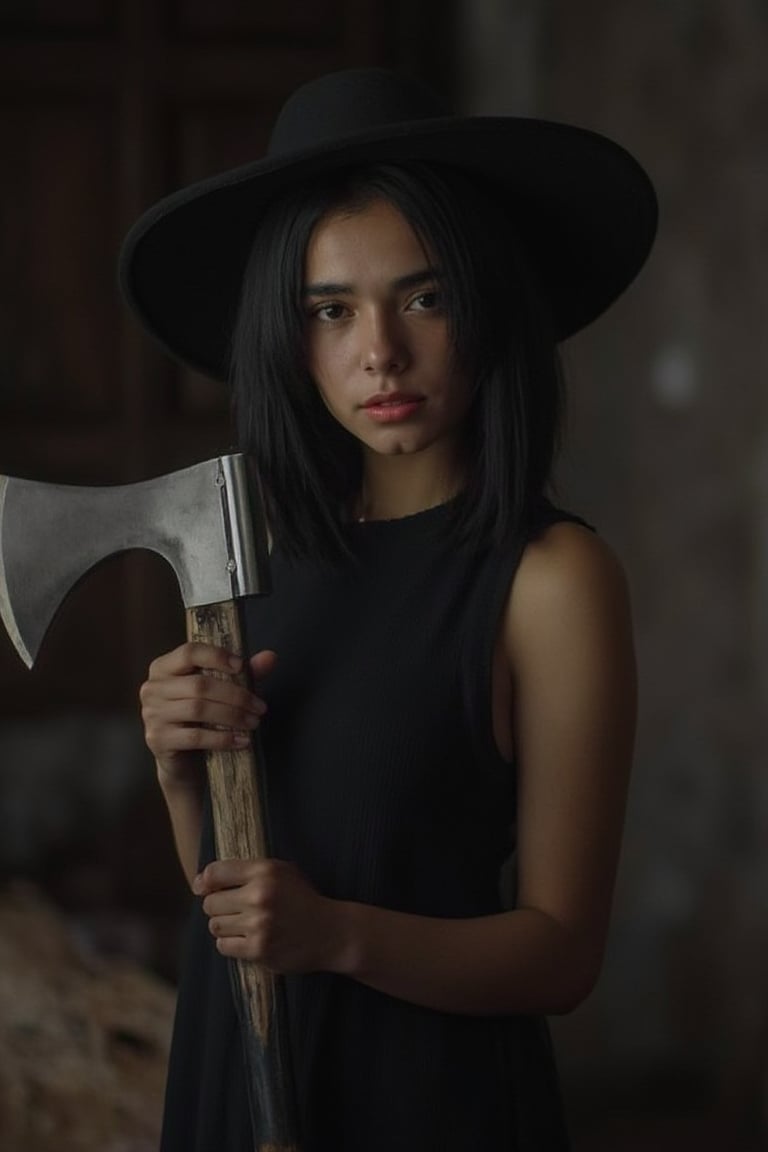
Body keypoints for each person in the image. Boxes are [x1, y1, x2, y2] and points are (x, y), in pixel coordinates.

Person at [123, 68, 657, 1151]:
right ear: (289, 334)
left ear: (487, 302)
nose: (380, 353)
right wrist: (183, 772)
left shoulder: (551, 579)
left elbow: (562, 954)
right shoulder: (253, 564)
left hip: (425, 1101)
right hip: (241, 1080)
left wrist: (340, 938)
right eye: (331, 310)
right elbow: (232, 901)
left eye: (425, 296)